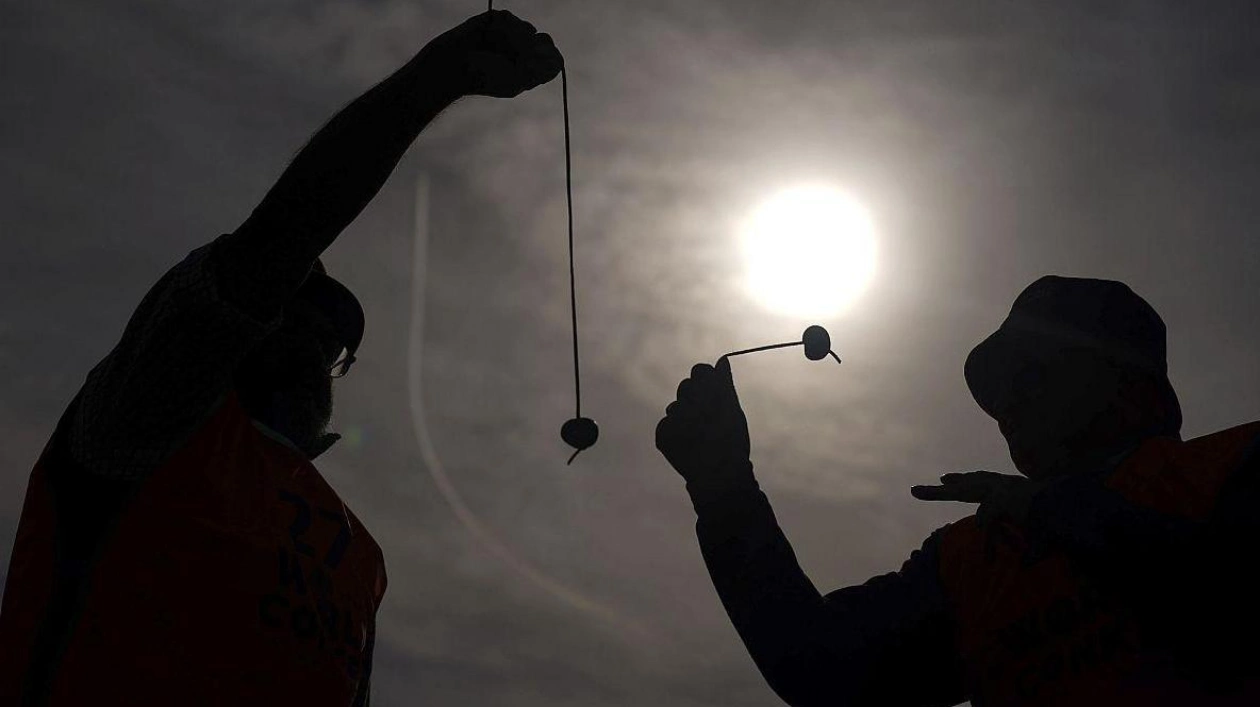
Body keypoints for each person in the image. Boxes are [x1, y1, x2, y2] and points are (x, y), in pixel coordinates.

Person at [0, 10, 562, 707]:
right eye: (289, 312)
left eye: (330, 339)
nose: (310, 341)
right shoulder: (144, 424)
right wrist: (431, 84)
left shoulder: (361, 556)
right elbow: (279, 237)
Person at [656, 275, 1260, 706]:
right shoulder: (972, 558)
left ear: (1125, 380)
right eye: (993, 389)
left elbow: (1227, 587)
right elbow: (824, 671)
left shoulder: (1234, 466)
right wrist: (724, 488)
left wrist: (1048, 509)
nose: (1005, 403)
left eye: (1030, 372)